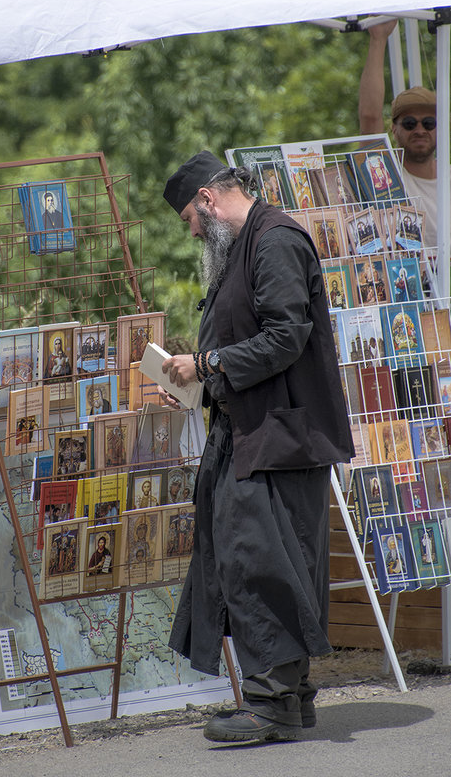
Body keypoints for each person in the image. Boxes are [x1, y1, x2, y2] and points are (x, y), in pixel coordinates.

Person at [160, 151, 354, 745]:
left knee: (260, 563)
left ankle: (271, 702)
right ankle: (288, 698)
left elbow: (285, 336)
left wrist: (207, 363)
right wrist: (198, 381)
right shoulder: (247, 244)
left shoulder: (275, 241)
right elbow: (249, 339)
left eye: (190, 220)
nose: (192, 233)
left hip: (280, 437)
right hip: (254, 431)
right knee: (263, 560)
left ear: (207, 200)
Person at [358, 19, 439, 248]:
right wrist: (378, 39)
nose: (420, 130)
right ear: (394, 129)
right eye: (410, 123)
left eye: (429, 123)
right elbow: (369, 117)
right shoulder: (388, 176)